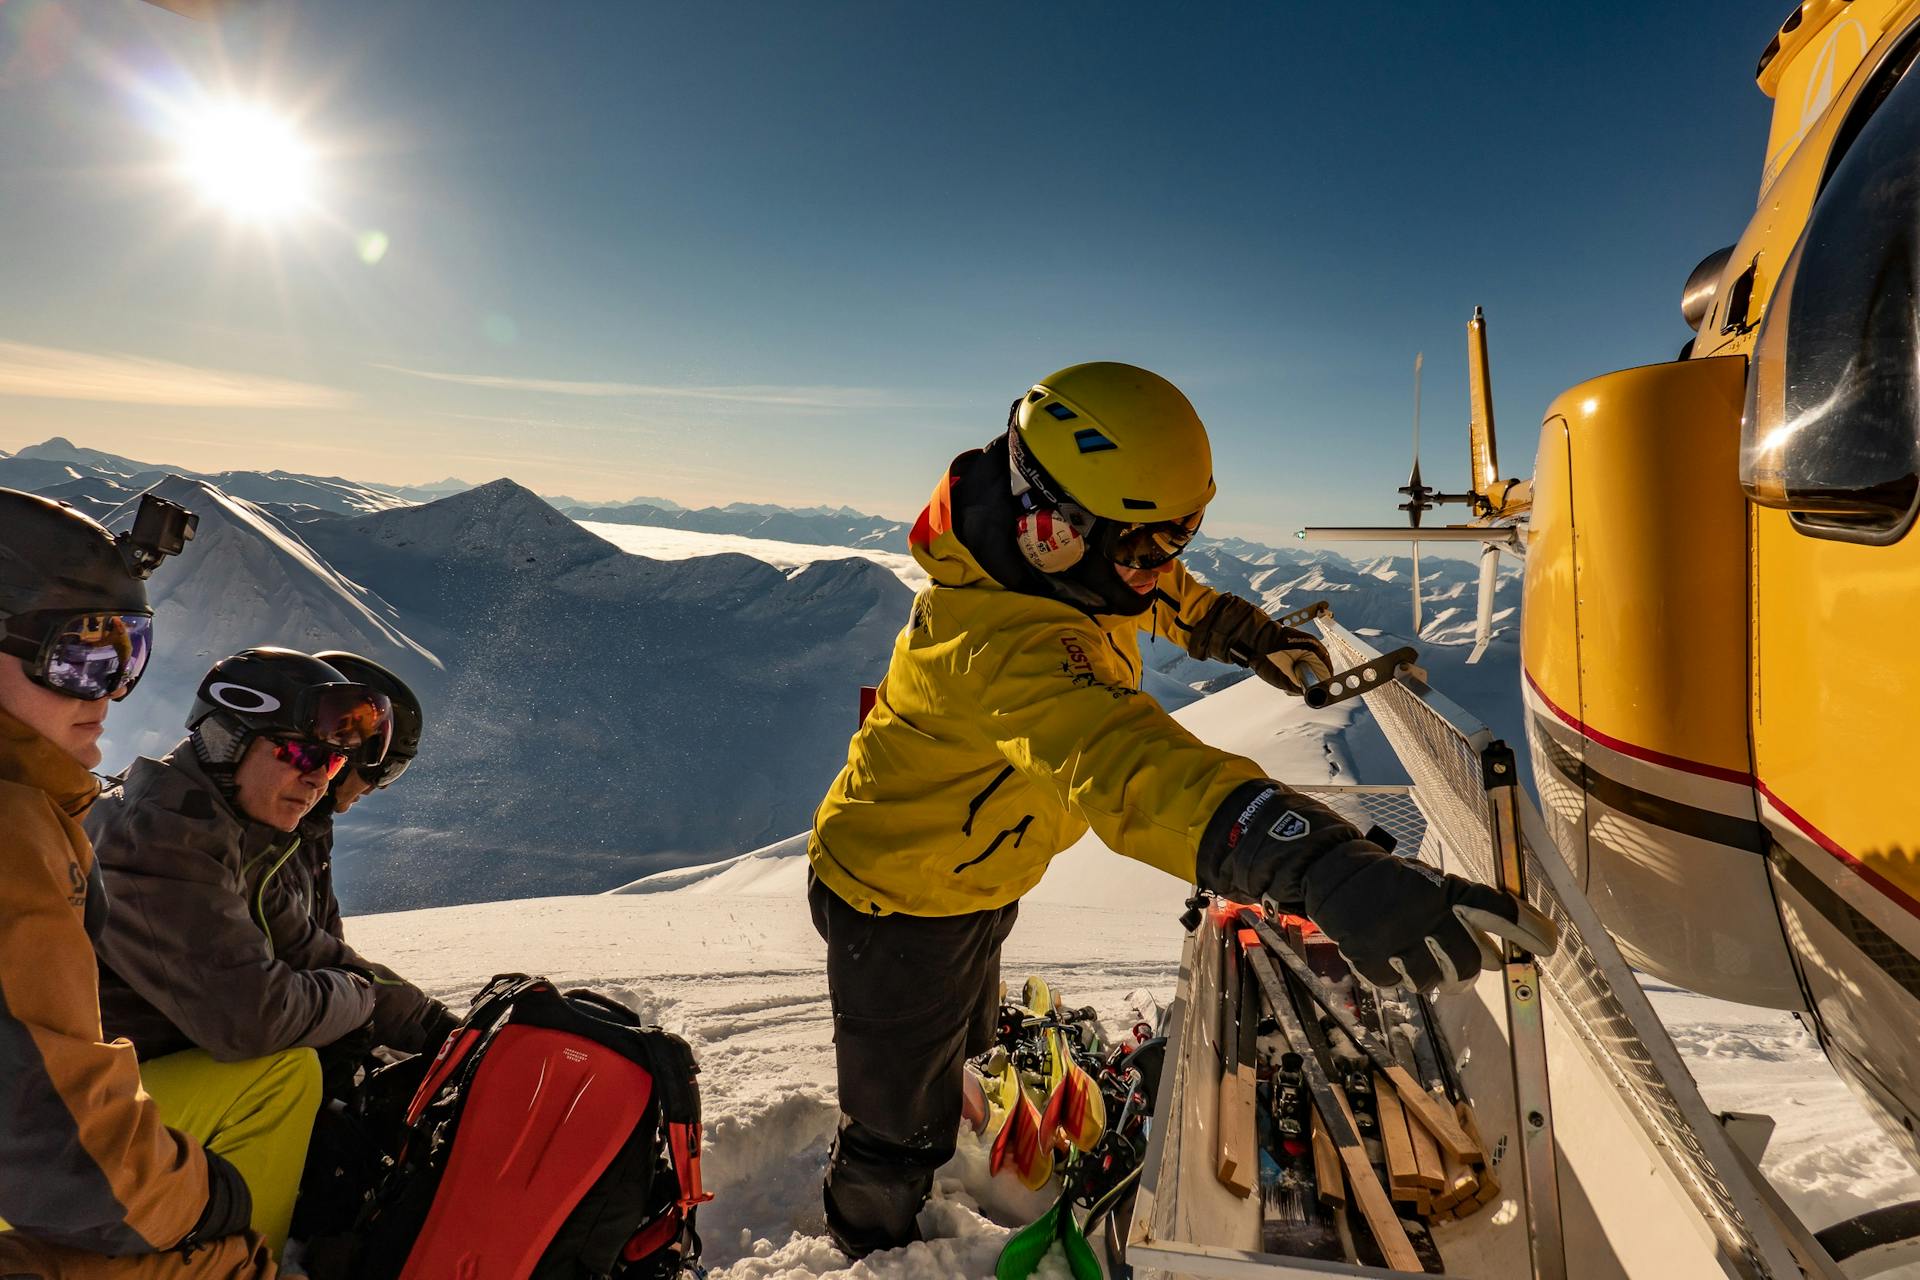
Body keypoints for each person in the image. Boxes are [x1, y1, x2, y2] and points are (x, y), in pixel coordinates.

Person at [805, 362, 1559, 1256]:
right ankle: (872, 1246)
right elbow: (1139, 773)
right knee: (897, 1129)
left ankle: (948, 1145)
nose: (1162, 567)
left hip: (971, 872)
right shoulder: (999, 643)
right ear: (1052, 529)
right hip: (892, 900)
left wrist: (1246, 634)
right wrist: (1322, 866)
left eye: (1179, 539)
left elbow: (1165, 596)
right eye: (1144, 548)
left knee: (960, 1051)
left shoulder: (1076, 568)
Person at [0, 487, 296, 1279]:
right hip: (43, 1164)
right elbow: (59, 1144)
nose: (109, 689)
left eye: (128, 653)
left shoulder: (38, 803)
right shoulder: (11, 825)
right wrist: (213, 1206)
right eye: (78, 654)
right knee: (231, 1258)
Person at [87, 647, 397, 1258]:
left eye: (333, 763)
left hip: (84, 1097)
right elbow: (253, 1020)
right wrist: (359, 999)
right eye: (303, 754)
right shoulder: (160, 839)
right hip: (38, 1142)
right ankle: (248, 1265)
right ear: (229, 741)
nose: (318, 778)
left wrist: (437, 1028)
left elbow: (314, 953)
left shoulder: (233, 833)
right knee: (280, 1073)